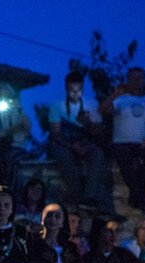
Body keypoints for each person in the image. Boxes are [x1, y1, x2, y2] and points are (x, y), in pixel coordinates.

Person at [99, 67, 145, 213]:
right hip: (121, 143)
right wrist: (114, 94)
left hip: (142, 143)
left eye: (140, 78)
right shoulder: (120, 100)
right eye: (133, 78)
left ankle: (136, 196)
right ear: (128, 80)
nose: (137, 81)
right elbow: (102, 110)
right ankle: (142, 197)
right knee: (123, 157)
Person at [48, 72, 112, 212]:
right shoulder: (56, 106)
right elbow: (56, 134)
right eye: (71, 89)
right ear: (66, 88)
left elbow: (98, 132)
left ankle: (89, 197)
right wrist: (72, 146)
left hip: (84, 140)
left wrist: (87, 124)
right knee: (64, 156)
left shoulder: (92, 104)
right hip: (64, 143)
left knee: (98, 154)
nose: (75, 93)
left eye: (78, 89)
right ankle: (75, 194)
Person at [0, 83, 31, 185]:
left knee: (11, 158)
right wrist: (13, 129)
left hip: (17, 148)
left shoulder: (18, 112)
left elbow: (27, 127)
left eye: (5, 95)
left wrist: (19, 112)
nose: (2, 98)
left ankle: (9, 189)